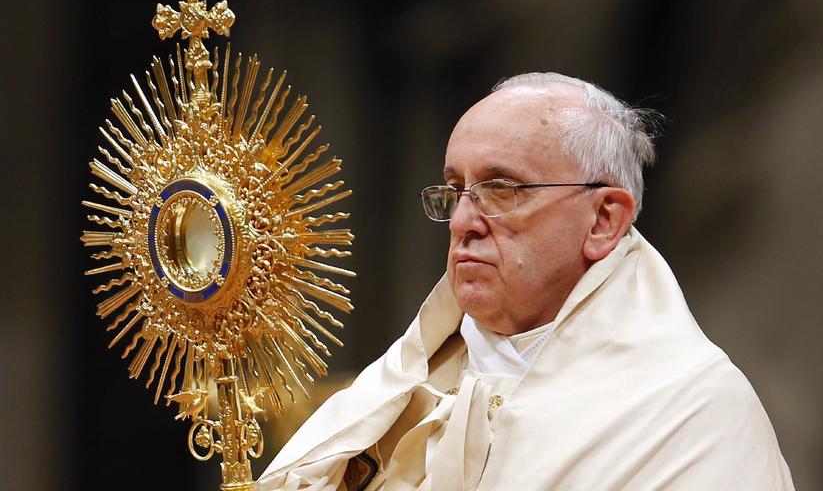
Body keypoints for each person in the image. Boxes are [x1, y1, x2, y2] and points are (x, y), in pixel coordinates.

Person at [257, 73, 794, 490]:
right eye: (455, 190)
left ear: (604, 219)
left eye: (502, 189)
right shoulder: (397, 391)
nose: (465, 220)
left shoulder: (688, 412)